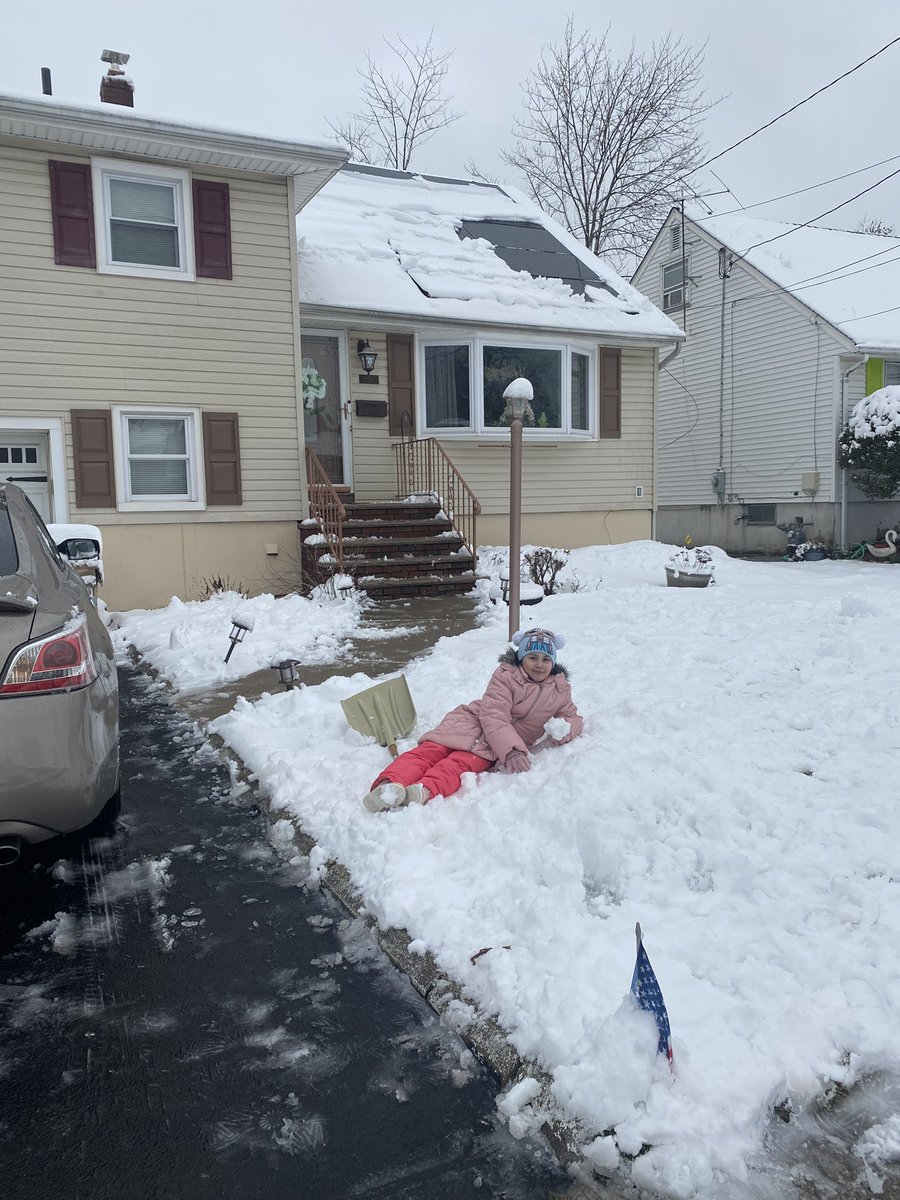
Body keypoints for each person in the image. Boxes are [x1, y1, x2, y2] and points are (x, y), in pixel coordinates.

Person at [362, 628, 583, 812]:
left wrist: (565, 729)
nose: (539, 664)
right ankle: (388, 786)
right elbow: (494, 713)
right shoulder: (506, 676)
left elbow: (572, 716)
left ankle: (423, 790)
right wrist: (512, 750)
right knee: (429, 752)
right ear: (521, 658)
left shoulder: (559, 690)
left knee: (459, 765)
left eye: (546, 659)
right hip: (470, 722)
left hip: (492, 746)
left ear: (553, 662)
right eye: (532, 657)